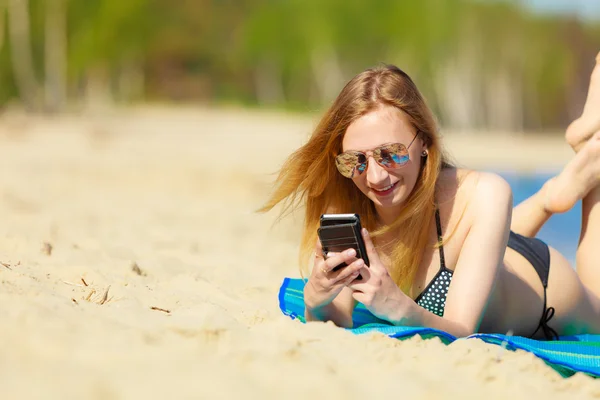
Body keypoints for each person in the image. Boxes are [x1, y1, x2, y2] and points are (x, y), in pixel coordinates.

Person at [260, 52, 600, 340]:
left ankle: (590, 159)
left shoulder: (485, 193)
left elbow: (463, 332)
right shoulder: (350, 195)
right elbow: (336, 321)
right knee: (480, 242)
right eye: (357, 159)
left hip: (542, 288)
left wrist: (397, 305)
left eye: (391, 154)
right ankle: (550, 196)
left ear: (424, 142)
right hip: (479, 250)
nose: (376, 177)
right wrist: (316, 301)